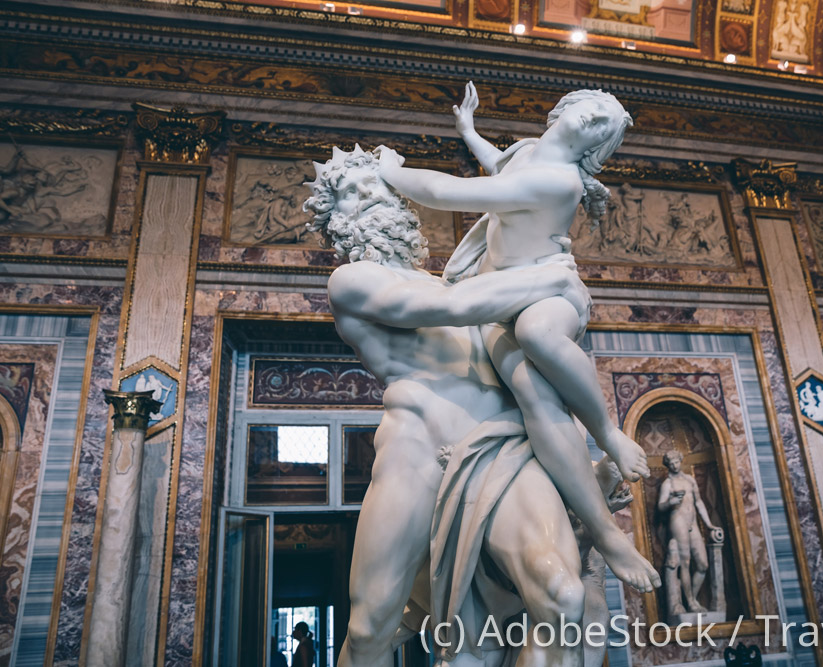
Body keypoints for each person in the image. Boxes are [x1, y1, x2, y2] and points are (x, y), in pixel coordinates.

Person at [304, 146, 606, 666]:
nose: (371, 195)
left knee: (562, 595)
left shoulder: (454, 278)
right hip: (417, 452)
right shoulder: (353, 282)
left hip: (497, 452)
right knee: (372, 624)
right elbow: (451, 306)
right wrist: (552, 276)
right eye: (353, 192)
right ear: (334, 221)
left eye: (377, 184)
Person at [377, 81, 660, 592]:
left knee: (535, 330)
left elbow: (449, 193)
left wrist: (389, 173)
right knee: (531, 391)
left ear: (595, 148)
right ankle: (603, 530)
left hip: (548, 291)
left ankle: (607, 433)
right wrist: (469, 131)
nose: (594, 120)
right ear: (564, 108)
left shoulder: (560, 182)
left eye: (603, 125)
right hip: (497, 297)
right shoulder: (531, 154)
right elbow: (500, 168)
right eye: (593, 109)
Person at [657, 450, 723, 617]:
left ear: (680, 461)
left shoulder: (689, 480)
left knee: (702, 564)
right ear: (668, 465)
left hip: (693, 523)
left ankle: (690, 597)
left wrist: (709, 525)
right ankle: (692, 602)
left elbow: (699, 502)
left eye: (676, 462)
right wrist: (670, 502)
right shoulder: (668, 484)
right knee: (685, 562)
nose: (674, 465)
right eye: (671, 463)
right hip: (678, 521)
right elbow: (660, 506)